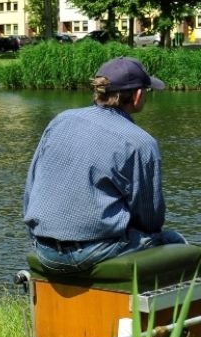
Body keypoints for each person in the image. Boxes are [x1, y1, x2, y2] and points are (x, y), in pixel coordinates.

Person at [23, 56, 188, 275]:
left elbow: (31, 187)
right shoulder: (140, 143)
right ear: (138, 95)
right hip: (91, 252)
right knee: (173, 241)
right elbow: (150, 220)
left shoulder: (61, 120)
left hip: (43, 249)